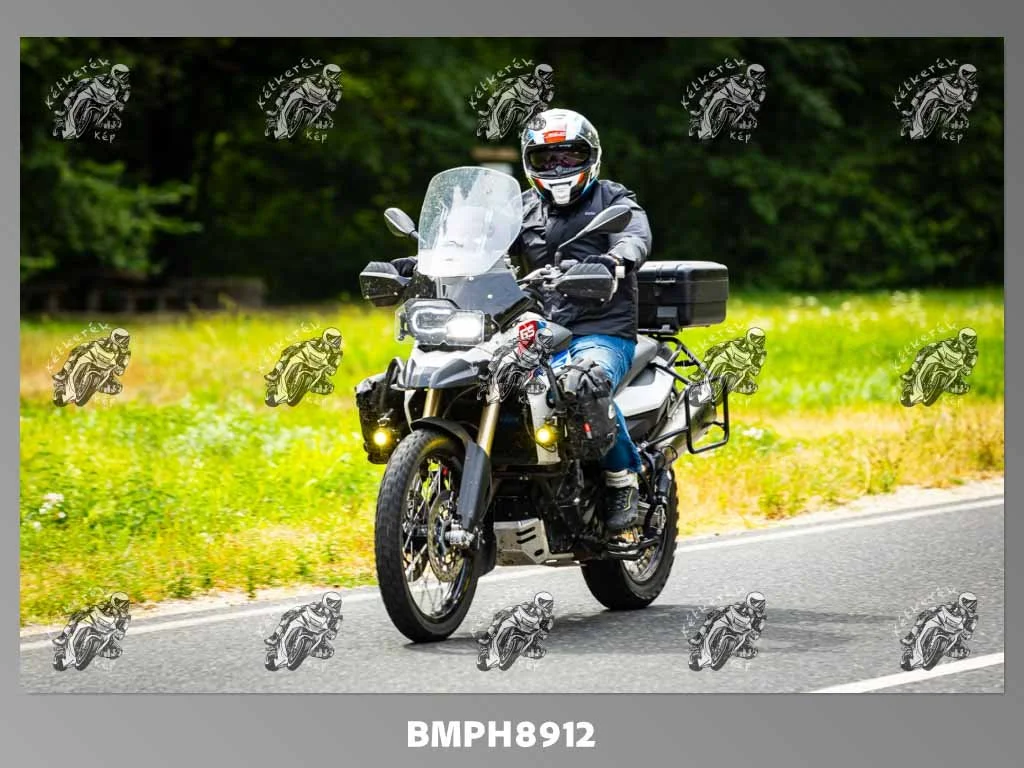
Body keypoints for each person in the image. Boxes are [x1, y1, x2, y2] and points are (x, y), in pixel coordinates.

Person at [393, 108, 651, 530]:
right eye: (546, 158)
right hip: (536, 327)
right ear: (531, 163)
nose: (558, 167)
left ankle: (621, 478)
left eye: (569, 156)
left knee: (584, 383)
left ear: (591, 156)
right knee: (477, 377)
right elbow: (476, 246)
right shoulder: (520, 209)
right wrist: (427, 262)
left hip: (599, 330)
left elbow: (635, 237)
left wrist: (616, 260)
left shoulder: (614, 200)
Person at [52, 327, 131, 406]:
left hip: (106, 369)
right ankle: (63, 373)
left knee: (118, 388)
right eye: (121, 339)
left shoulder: (125, 353)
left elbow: (120, 371)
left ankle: (95, 387)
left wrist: (120, 367)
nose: (123, 341)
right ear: (114, 336)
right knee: (76, 353)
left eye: (125, 339)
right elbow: (90, 344)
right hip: (92, 359)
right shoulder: (104, 341)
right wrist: (82, 348)